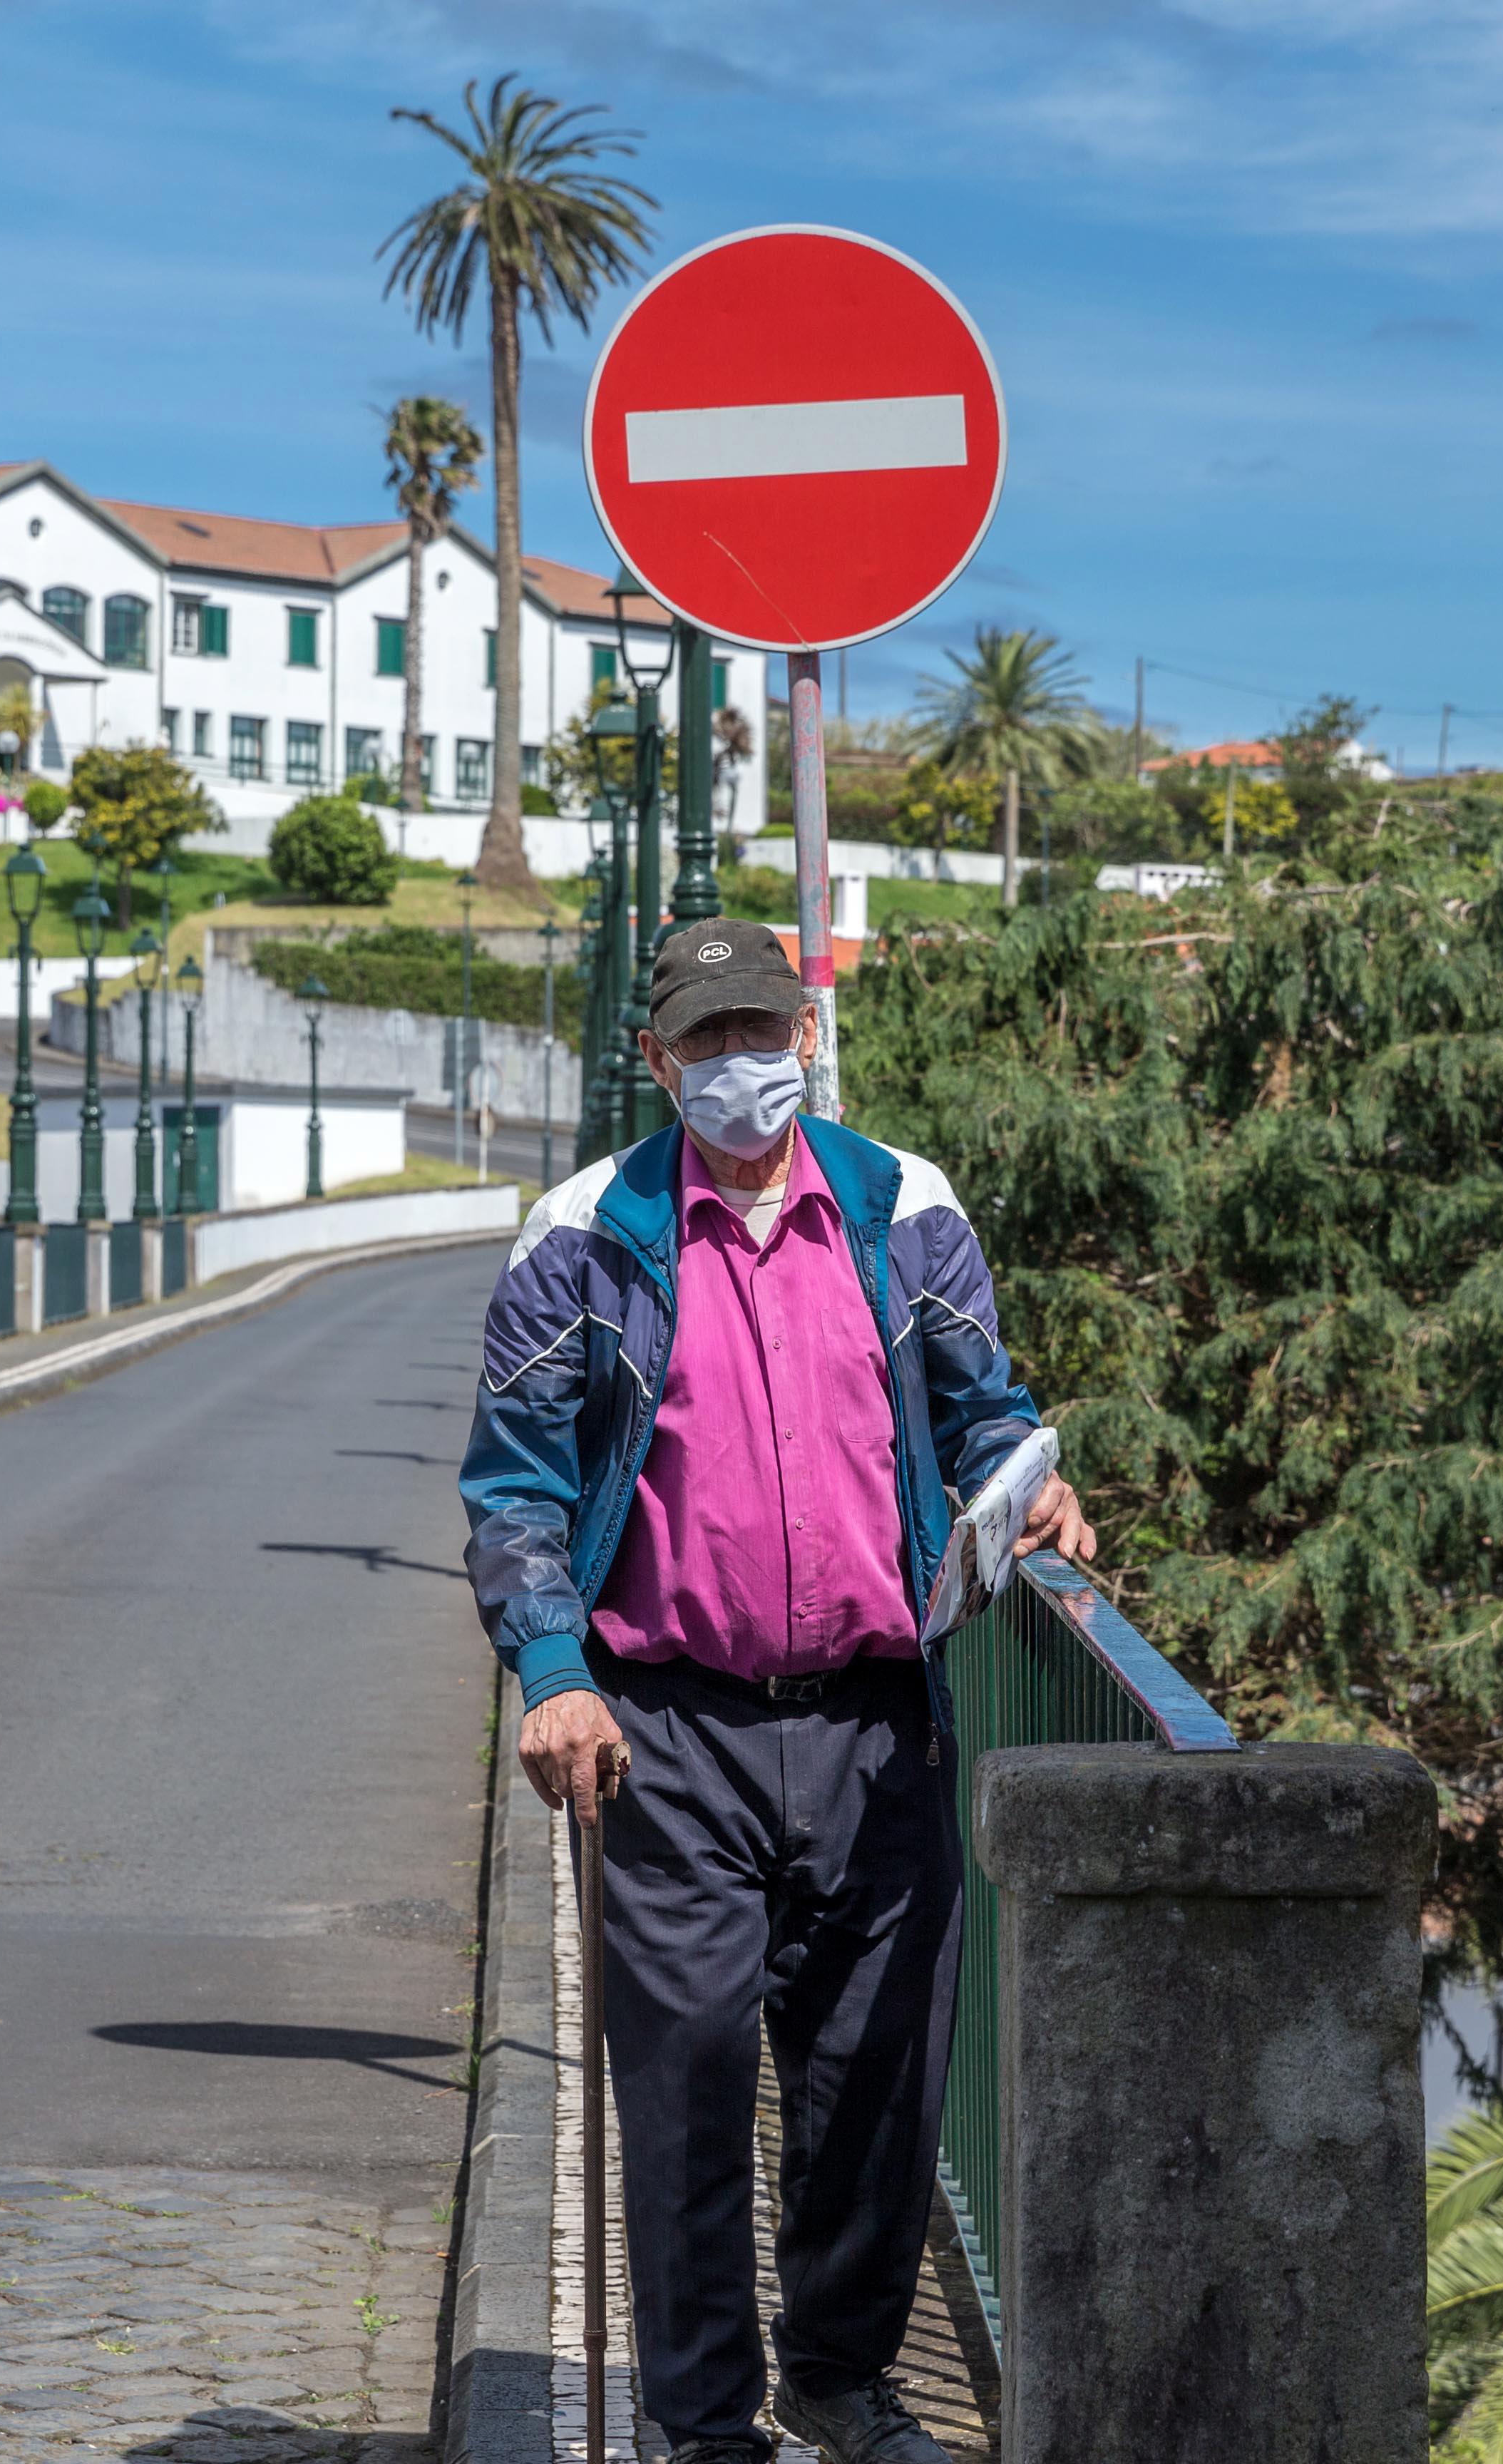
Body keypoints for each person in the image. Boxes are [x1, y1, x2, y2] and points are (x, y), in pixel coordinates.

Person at [461, 918, 1091, 2464]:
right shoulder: (584, 1234)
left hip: (881, 1722)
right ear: (659, 1057)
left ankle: (839, 2375)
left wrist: (1031, 1491)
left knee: (879, 2082)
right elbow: (516, 1487)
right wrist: (554, 1672)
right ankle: (702, 2423)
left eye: (767, 1028)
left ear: (806, 1034)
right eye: (710, 1038)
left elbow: (980, 1403)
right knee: (680, 2098)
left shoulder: (900, 1203)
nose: (746, 1063)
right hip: (670, 1731)